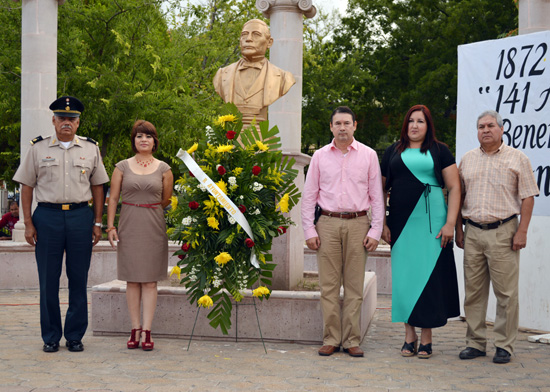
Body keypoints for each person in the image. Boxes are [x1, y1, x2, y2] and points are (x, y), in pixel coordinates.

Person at [13, 96, 109, 353]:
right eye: (62, 118)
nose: (67, 122)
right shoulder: (38, 148)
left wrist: (97, 222)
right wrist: (28, 223)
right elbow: (27, 186)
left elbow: (98, 186)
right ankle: (51, 336)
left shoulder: (91, 149)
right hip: (47, 217)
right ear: (53, 120)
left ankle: (75, 335)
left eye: (72, 119)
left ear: (78, 123)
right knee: (48, 280)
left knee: (79, 279)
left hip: (80, 217)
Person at [456, 110, 539, 364]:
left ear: (502, 129)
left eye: (491, 125)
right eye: (481, 126)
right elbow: (458, 197)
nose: (486, 130)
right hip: (473, 232)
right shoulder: (467, 160)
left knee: (506, 294)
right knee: (473, 293)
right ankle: (475, 343)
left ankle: (504, 345)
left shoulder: (518, 158)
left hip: (504, 232)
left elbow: (527, 196)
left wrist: (522, 230)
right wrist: (459, 229)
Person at [301, 106, 384, 357]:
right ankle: (331, 338)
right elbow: (308, 196)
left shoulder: (369, 156)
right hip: (326, 223)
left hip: (359, 223)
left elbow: (376, 197)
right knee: (328, 285)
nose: (342, 128)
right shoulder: (319, 156)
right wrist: (309, 230)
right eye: (337, 123)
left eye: (347, 123)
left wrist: (376, 229)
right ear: (331, 127)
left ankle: (351, 340)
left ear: (355, 126)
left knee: (354, 286)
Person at [380, 105, 461, 359]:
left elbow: (455, 187)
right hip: (401, 224)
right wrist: (381, 222)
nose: (415, 125)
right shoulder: (392, 151)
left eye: (421, 121)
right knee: (405, 277)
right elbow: (380, 189)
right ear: (405, 125)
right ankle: (409, 335)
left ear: (428, 126)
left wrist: (450, 223)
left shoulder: (440, 150)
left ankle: (427, 337)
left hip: (433, 223)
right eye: (411, 121)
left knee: (430, 278)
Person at [106, 120, 173, 351]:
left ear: (155, 141)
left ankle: (147, 330)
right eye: (139, 136)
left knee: (150, 280)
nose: (143, 140)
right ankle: (134, 329)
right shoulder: (121, 167)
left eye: (148, 136)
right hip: (129, 223)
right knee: (132, 279)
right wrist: (111, 226)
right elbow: (113, 199)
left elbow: (166, 199)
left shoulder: (164, 169)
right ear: (133, 140)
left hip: (153, 224)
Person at [213, 19, 295, 125]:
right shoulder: (222, 75)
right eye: (244, 35)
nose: (248, 39)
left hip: (259, 134)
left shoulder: (284, 78)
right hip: (232, 135)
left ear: (269, 42)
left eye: (256, 34)